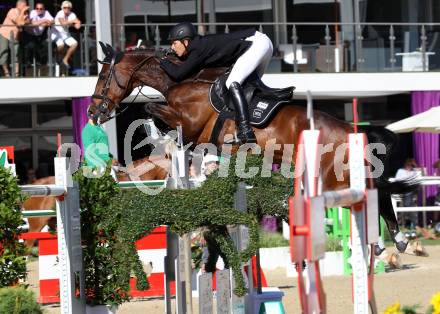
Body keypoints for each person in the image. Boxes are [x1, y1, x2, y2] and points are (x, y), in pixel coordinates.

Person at [159, 22, 275, 144]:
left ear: (186, 42)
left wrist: (163, 61)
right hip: (262, 43)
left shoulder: (197, 49)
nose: (172, 47)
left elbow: (178, 74)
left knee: (232, 81)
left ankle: (245, 130)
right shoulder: (198, 46)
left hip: (257, 44)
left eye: (174, 43)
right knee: (246, 86)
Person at [81, 112, 118, 178]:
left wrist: (111, 157)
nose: (102, 115)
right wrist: (108, 160)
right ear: (92, 115)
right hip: (93, 167)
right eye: (99, 114)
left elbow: (102, 148)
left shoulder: (99, 127)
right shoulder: (87, 130)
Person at [0, 0, 29, 77]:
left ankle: (16, 74)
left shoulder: (25, 13)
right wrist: (22, 13)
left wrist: (23, 13)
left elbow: (24, 23)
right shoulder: (12, 11)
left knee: (15, 54)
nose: (26, 7)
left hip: (15, 36)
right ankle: (6, 72)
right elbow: (19, 22)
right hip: (4, 34)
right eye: (24, 6)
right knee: (3, 53)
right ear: (18, 5)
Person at [51, 1, 81, 75]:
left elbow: (78, 26)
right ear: (62, 8)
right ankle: (57, 54)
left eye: (68, 7)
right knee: (61, 46)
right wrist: (73, 21)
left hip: (65, 34)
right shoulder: (60, 13)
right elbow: (63, 23)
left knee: (75, 44)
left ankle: (65, 59)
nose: (66, 9)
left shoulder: (72, 14)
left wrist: (76, 22)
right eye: (65, 7)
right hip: (56, 34)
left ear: (70, 8)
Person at [22, 2, 53, 69]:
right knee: (30, 46)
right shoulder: (33, 12)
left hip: (40, 35)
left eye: (41, 9)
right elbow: (33, 23)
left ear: (44, 9)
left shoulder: (46, 12)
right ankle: (27, 63)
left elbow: (52, 21)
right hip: (29, 34)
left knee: (46, 45)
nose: (39, 10)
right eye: (37, 8)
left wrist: (47, 23)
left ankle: (42, 63)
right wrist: (44, 20)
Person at [395, 158, 420, 227]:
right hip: (403, 193)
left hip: (412, 194)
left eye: (411, 165)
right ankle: (402, 224)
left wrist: (416, 167)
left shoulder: (414, 172)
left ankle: (414, 225)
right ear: (405, 164)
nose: (409, 166)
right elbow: (397, 181)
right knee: (405, 207)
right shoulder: (400, 171)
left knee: (411, 207)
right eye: (408, 164)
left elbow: (419, 178)